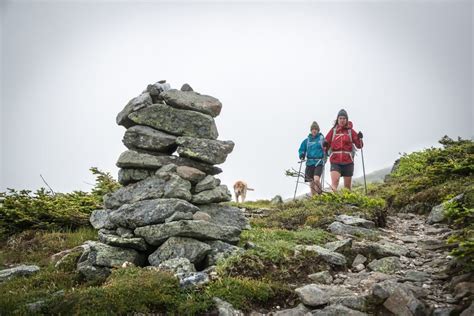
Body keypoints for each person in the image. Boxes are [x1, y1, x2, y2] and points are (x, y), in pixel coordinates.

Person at [324, 109, 363, 191]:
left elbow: (359, 145)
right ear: (337, 119)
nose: (342, 120)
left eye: (344, 118)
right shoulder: (333, 131)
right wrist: (324, 145)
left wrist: (360, 138)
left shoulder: (350, 131)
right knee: (335, 183)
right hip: (335, 160)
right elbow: (326, 143)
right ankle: (333, 202)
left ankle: (347, 203)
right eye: (340, 118)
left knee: (347, 188)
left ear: (347, 120)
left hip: (348, 161)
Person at [298, 121, 326, 195]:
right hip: (309, 163)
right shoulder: (307, 140)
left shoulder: (321, 139)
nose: (314, 130)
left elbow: (327, 148)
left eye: (316, 129)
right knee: (311, 182)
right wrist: (302, 155)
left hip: (319, 162)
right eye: (313, 129)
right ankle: (314, 198)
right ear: (311, 130)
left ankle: (320, 194)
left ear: (318, 130)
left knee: (316, 180)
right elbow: (302, 149)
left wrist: (326, 151)